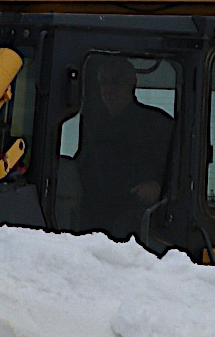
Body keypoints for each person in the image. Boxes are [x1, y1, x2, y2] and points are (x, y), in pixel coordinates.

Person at [72, 54, 177, 243]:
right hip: (90, 220)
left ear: (132, 83)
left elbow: (180, 169)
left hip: (136, 225)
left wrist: (158, 187)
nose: (109, 88)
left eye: (116, 81)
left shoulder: (157, 125)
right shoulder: (90, 123)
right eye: (104, 82)